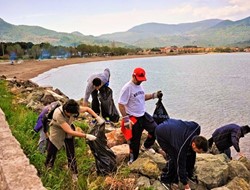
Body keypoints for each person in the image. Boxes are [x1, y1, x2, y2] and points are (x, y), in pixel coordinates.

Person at [45, 99, 105, 182]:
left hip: (68, 126)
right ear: (66, 111)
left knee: (71, 151)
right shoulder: (58, 114)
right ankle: (48, 168)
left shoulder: (73, 108)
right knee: (52, 149)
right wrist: (86, 135)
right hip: (57, 129)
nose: (75, 115)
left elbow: (88, 109)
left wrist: (97, 117)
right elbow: (69, 131)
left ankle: (74, 173)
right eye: (73, 114)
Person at [118, 67, 163, 165]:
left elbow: (141, 97)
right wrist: (126, 120)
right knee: (135, 141)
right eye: (138, 80)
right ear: (133, 76)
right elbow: (121, 104)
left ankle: (146, 146)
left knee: (155, 129)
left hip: (143, 114)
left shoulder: (139, 86)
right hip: (133, 117)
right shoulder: (127, 88)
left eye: (142, 80)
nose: (140, 82)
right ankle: (133, 159)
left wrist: (154, 95)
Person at [155, 118, 208, 190]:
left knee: (191, 153)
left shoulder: (197, 128)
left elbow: (189, 124)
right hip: (162, 133)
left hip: (172, 125)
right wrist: (186, 185)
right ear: (193, 145)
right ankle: (165, 179)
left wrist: (190, 171)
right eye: (200, 151)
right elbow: (180, 165)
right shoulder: (182, 147)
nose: (200, 153)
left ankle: (189, 172)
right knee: (174, 158)